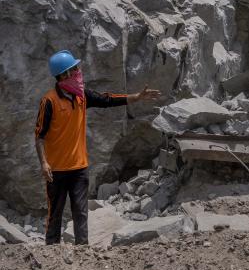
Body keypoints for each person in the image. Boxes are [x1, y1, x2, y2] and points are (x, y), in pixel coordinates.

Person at [36, 50, 161, 245]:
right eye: (73, 69)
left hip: (79, 168)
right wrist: (44, 163)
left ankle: (82, 252)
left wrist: (136, 97)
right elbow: (39, 136)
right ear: (63, 75)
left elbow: (107, 99)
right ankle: (52, 254)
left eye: (76, 68)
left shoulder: (82, 96)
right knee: (55, 213)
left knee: (80, 211)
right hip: (56, 170)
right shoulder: (49, 101)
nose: (78, 72)